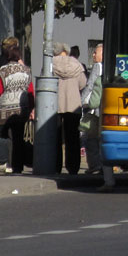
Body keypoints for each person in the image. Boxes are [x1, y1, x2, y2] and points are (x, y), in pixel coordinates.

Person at [0, 44, 34, 174]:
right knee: (19, 137)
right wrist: (31, 108)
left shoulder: (3, 70)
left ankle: (4, 163)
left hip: (4, 109)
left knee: (4, 137)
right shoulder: (26, 70)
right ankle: (18, 166)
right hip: (22, 109)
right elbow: (31, 91)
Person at [52, 41, 87, 175]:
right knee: (72, 137)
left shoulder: (50, 63)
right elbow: (82, 83)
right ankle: (73, 166)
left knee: (55, 137)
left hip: (55, 105)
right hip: (73, 105)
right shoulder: (76, 64)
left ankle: (56, 166)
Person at [81, 43, 105, 175]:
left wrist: (81, 102)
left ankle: (95, 165)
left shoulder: (97, 66)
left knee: (91, 137)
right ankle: (104, 165)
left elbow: (90, 85)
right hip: (106, 106)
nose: (93, 55)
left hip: (95, 108)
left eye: (96, 52)